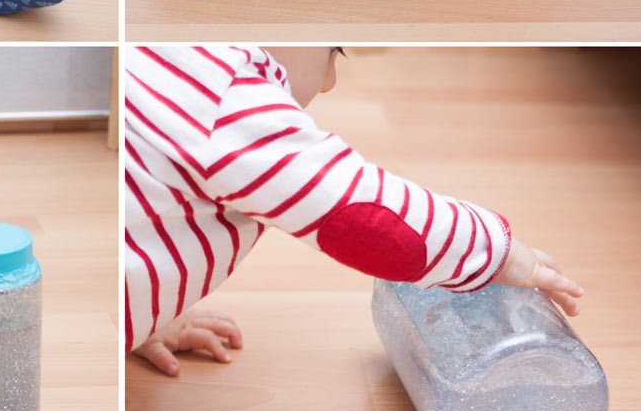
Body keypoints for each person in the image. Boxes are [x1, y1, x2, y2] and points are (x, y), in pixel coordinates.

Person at [125, 46, 584, 376]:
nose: (329, 82)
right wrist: (500, 254)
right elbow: (364, 216)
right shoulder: (227, 99)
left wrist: (150, 315)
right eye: (333, 51)